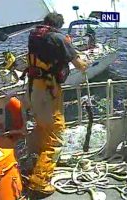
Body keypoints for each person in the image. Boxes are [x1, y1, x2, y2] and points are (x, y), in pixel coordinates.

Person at [21, 12, 88, 195]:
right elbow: (79, 64)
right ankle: (39, 182)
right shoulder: (58, 37)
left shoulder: (34, 35)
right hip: (47, 91)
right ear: (59, 25)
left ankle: (37, 165)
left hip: (33, 89)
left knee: (43, 128)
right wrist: (85, 63)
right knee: (55, 137)